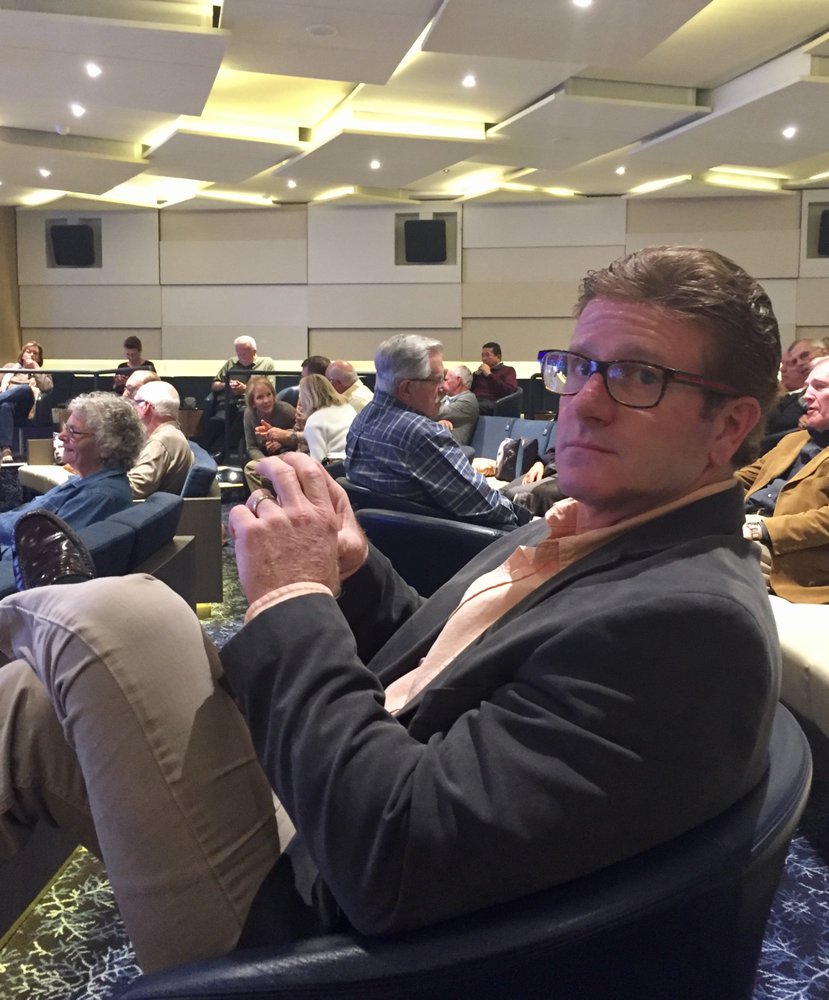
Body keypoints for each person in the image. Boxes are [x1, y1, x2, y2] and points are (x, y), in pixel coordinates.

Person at [0, 245, 781, 976]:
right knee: (28, 702)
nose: (585, 402)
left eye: (637, 376)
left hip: (315, 921)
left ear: (729, 425)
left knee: (121, 618)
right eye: (578, 367)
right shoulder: (579, 527)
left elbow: (393, 858)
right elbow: (448, 670)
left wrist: (291, 596)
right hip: (330, 803)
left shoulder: (689, 626)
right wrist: (353, 570)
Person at [345, 334, 528, 528]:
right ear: (406, 388)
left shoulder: (362, 419)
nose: (443, 389)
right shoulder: (421, 434)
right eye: (438, 380)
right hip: (455, 540)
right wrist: (522, 517)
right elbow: (488, 507)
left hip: (387, 539)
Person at [0, 391, 142, 551]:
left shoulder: (98, 497)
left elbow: (39, 553)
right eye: (66, 428)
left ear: (107, 446)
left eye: (73, 432)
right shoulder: (83, 480)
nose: (61, 436)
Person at [739, 354, 829, 603]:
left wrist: (762, 528)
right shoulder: (794, 440)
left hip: (790, 557)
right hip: (743, 525)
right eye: (807, 386)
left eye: (819, 387)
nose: (806, 396)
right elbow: (742, 477)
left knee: (703, 553)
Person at [202, 337, 276, 458]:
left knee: (242, 414)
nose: (241, 355)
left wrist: (246, 389)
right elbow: (214, 385)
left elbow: (270, 389)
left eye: (245, 352)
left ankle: (222, 452)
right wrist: (227, 384)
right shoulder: (231, 363)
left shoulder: (266, 363)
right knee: (219, 419)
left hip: (251, 404)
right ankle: (208, 451)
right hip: (229, 402)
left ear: (254, 351)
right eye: (239, 352)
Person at [127, 381, 194, 499]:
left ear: (145, 407)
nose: (132, 409)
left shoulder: (161, 441)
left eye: (135, 403)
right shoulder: (170, 434)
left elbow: (134, 488)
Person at [0, 341, 53, 462]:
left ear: (39, 358)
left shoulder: (42, 372)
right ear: (22, 355)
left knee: (24, 389)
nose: (31, 355)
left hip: (25, 409)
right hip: (8, 407)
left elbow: (47, 387)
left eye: (35, 353)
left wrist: (35, 368)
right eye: (28, 352)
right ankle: (6, 450)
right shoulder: (9, 367)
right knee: (5, 405)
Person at [242, 376, 297, 493]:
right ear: (252, 402)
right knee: (249, 466)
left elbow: (301, 433)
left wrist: (282, 441)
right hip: (263, 454)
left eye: (268, 395)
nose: (266, 400)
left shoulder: (285, 410)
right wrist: (267, 464)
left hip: (286, 451)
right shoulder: (249, 414)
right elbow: (251, 447)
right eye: (260, 397)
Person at [299, 374, 355, 463]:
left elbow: (319, 461)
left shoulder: (313, 421)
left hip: (338, 465)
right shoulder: (348, 407)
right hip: (359, 460)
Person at [471, 342, 518, 415]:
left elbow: (508, 391)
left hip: (493, 403)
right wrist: (475, 376)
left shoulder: (508, 370)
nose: (483, 359)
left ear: (498, 357)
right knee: (459, 404)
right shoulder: (480, 373)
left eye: (487, 355)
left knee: (468, 407)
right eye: (482, 355)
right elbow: (468, 390)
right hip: (475, 400)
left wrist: (489, 375)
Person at [436, 364, 479, 445]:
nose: (443, 383)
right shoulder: (446, 397)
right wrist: (439, 422)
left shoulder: (469, 400)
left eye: (446, 380)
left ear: (458, 380)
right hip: (438, 440)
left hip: (452, 446)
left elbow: (438, 413)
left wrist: (436, 421)